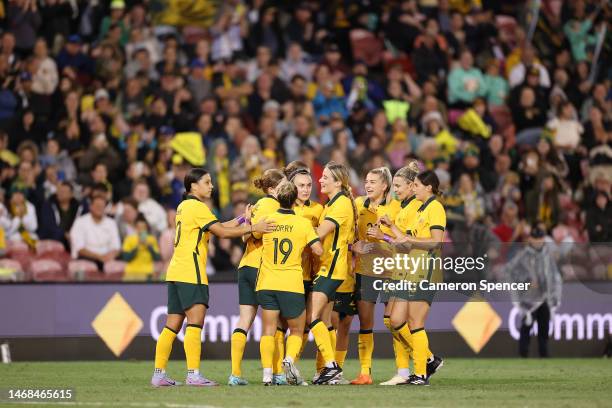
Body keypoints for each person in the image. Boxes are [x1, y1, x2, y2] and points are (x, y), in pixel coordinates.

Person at [151, 168, 275, 387]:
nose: (211, 186)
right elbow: (222, 233)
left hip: (176, 272)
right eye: (207, 182)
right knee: (195, 324)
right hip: (192, 273)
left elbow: (216, 228)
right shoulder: (198, 207)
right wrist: (255, 226)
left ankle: (159, 374)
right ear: (193, 186)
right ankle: (193, 374)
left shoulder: (184, 206)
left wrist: (241, 219)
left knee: (172, 325)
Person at [377, 164, 444, 385]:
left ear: (429, 188)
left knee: (415, 321)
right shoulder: (422, 209)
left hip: (427, 270)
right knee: (395, 320)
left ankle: (421, 373)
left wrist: (408, 240)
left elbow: (435, 240)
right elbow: (407, 237)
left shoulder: (435, 208)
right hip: (413, 270)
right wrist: (391, 227)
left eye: (417, 185)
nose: (414, 189)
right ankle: (428, 360)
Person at [256, 181, 323, 385]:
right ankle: (289, 359)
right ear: (295, 200)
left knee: (268, 329)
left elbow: (254, 236)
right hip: (291, 283)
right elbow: (318, 250)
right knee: (296, 329)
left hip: (267, 282)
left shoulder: (267, 220)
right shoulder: (303, 224)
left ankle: (267, 373)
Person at [229, 169, 285, 386]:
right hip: (263, 269)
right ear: (272, 189)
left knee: (245, 320)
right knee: (275, 323)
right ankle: (277, 372)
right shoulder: (274, 206)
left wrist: (249, 222)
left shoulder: (256, 205)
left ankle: (235, 374)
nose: (287, 189)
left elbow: (244, 236)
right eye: (283, 186)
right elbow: (260, 233)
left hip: (245, 266)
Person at [350, 167, 402, 385]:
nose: (368, 185)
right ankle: (365, 372)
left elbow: (404, 244)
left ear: (385, 186)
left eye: (373, 181)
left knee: (394, 322)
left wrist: (381, 239)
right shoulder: (357, 205)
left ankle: (405, 369)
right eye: (366, 181)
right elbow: (348, 236)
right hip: (365, 271)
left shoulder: (396, 208)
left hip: (391, 270)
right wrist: (355, 246)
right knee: (365, 323)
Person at [309, 161, 356, 385]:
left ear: (338, 181)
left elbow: (320, 232)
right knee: (326, 322)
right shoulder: (333, 203)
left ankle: (331, 366)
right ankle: (328, 371)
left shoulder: (340, 204)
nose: (321, 180)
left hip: (332, 268)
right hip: (330, 267)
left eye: (326, 177)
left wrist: (293, 226)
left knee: (313, 317)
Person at [283, 161, 324, 364]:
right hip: (287, 275)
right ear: (292, 187)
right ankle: (275, 370)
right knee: (281, 326)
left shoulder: (318, 209)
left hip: (309, 274)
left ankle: (292, 365)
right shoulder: (283, 208)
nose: (306, 189)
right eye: (301, 185)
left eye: (309, 185)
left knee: (306, 324)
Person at [507, 225, 562, 358]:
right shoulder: (523, 255)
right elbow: (510, 272)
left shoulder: (547, 255)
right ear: (530, 239)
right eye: (535, 238)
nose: (538, 241)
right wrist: (525, 282)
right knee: (527, 326)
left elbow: (555, 276)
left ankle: (544, 355)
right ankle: (523, 355)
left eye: (540, 238)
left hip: (544, 297)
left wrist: (554, 296)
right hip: (529, 298)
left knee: (544, 328)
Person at [69, 195, 120, 272]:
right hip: (86, 257)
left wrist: (109, 256)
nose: (99, 208)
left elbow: (116, 247)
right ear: (91, 207)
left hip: (107, 258)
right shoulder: (80, 222)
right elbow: (80, 249)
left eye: (102, 206)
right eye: (97, 206)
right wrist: (99, 257)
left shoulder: (111, 223)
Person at [121, 214, 160, 281]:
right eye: (139, 227)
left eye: (143, 228)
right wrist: (137, 247)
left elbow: (157, 258)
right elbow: (126, 258)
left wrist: (149, 247)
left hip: (147, 272)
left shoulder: (152, 239)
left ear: (146, 229)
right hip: (131, 272)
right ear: (135, 228)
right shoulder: (129, 239)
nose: (141, 230)